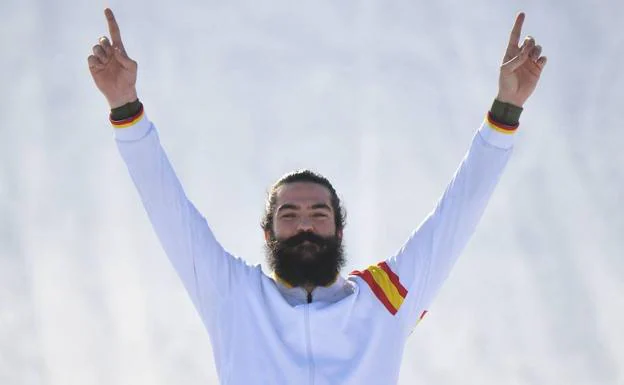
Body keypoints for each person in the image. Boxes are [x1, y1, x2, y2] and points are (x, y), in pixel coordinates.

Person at [87, 8, 546, 384]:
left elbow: (457, 215)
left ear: (339, 227)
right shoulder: (234, 296)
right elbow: (169, 210)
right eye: (289, 214)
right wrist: (125, 107)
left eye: (317, 213)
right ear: (267, 231)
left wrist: (506, 112)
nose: (305, 224)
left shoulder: (384, 299)